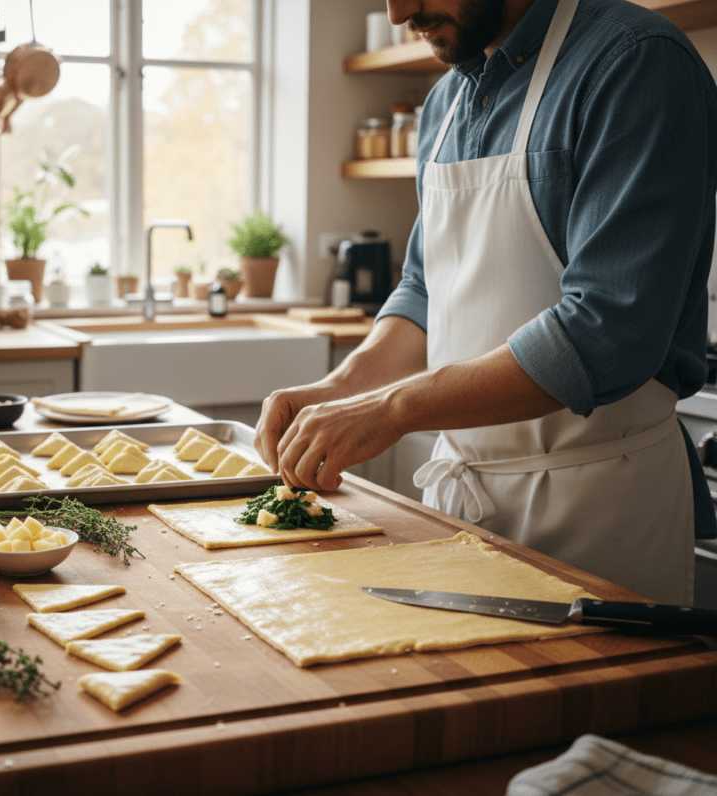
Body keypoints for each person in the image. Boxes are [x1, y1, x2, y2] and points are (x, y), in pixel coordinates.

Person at [254, 0, 717, 605]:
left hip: (599, 507)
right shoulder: (446, 102)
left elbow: (609, 329)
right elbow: (424, 291)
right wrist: (338, 390)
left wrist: (393, 409)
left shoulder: (635, 62)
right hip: (464, 508)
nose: (400, 13)